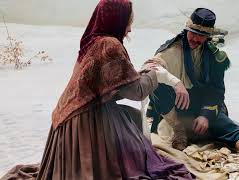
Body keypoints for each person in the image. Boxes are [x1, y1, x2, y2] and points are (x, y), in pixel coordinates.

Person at [36, 0, 194, 179]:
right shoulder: (110, 45)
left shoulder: (91, 40)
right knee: (134, 138)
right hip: (85, 122)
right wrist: (154, 72)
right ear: (116, 20)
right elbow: (137, 92)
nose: (129, 29)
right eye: (127, 22)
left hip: (65, 122)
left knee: (131, 117)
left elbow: (110, 85)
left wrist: (140, 75)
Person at [143, 8, 239, 175]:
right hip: (176, 109)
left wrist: (205, 115)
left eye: (201, 35)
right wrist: (176, 82)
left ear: (208, 36)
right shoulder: (171, 50)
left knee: (221, 121)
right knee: (156, 85)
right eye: (192, 32)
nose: (195, 38)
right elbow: (149, 69)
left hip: (199, 106)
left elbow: (216, 91)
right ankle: (179, 131)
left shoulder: (214, 56)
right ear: (186, 29)